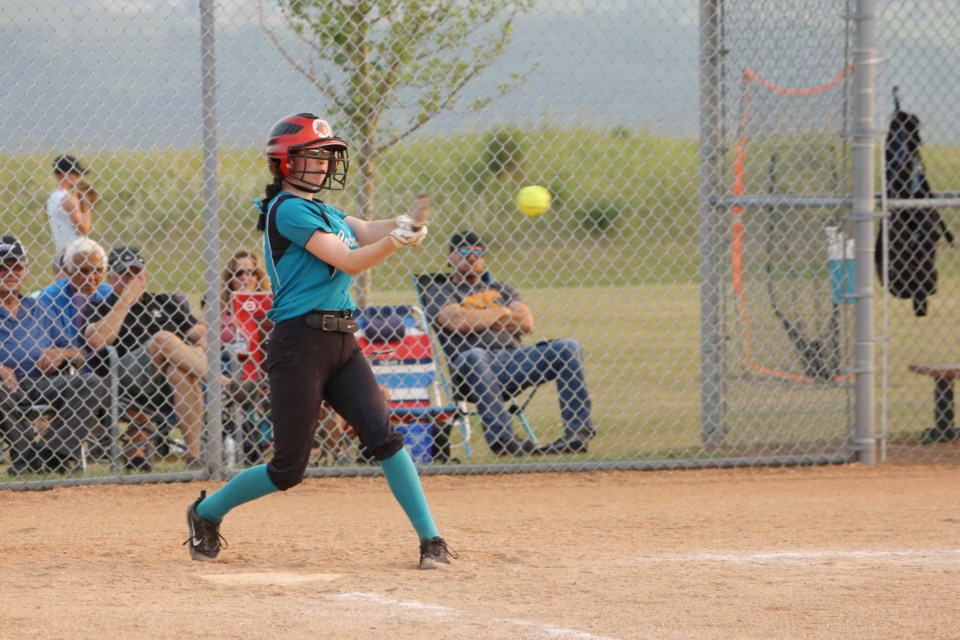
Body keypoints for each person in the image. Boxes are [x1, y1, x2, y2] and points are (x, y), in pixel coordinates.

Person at [183, 112, 456, 570]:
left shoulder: (324, 210)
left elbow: (364, 230)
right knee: (288, 469)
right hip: (299, 346)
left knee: (385, 438)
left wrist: (401, 224)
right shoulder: (286, 210)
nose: (325, 164)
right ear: (285, 163)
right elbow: (348, 259)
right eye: (314, 156)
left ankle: (431, 539)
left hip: (342, 343)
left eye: (328, 155)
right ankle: (207, 513)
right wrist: (398, 243)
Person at [423, 231, 595, 455]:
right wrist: (502, 313)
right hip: (470, 367)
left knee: (568, 347)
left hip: (514, 361)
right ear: (450, 257)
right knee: (476, 354)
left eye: (478, 253)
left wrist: (476, 317)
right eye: (464, 252)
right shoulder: (440, 291)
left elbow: (526, 323)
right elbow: (455, 321)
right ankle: (504, 439)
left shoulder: (501, 288)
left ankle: (577, 435)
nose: (472, 257)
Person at [82, 246, 223, 468]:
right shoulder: (100, 306)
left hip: (167, 381)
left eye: (136, 273)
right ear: (111, 278)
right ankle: (223, 383)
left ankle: (194, 458)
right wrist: (125, 302)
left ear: (145, 275)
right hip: (126, 380)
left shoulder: (166, 302)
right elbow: (98, 340)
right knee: (162, 339)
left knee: (180, 372)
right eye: (124, 274)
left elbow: (200, 334)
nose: (131, 279)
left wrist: (199, 350)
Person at [0, 235, 108, 475]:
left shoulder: (38, 308)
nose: (10, 273)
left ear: (25, 271)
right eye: (2, 268)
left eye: (16, 267)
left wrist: (61, 353)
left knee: (91, 383)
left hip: (40, 382)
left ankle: (50, 454)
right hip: (4, 387)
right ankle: (27, 456)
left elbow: (78, 354)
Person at [32, 237, 112, 347]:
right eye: (83, 271)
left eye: (97, 270)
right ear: (66, 270)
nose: (91, 277)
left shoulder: (109, 294)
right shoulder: (49, 298)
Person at [46, 155, 94, 267]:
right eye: (76, 174)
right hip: (77, 252)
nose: (79, 177)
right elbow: (83, 230)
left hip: (61, 250)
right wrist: (87, 207)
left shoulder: (53, 197)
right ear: (64, 174)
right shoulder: (69, 198)